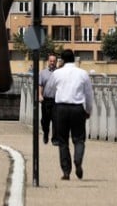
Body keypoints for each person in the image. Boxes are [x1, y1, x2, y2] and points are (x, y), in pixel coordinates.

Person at [50, 49, 93, 181]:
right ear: (74, 59)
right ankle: (78, 160)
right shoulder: (83, 73)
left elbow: (50, 90)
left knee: (63, 141)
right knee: (79, 139)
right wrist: (88, 110)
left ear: (61, 60)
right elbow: (89, 94)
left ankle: (66, 172)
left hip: (61, 108)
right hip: (77, 108)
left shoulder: (57, 73)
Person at [38, 53, 59, 144]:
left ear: (56, 62)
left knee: (56, 120)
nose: (52, 63)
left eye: (54, 61)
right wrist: (39, 95)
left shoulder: (59, 73)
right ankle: (45, 133)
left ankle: (54, 139)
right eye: (51, 61)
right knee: (45, 120)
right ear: (48, 61)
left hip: (57, 100)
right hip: (46, 100)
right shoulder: (42, 73)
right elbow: (40, 85)